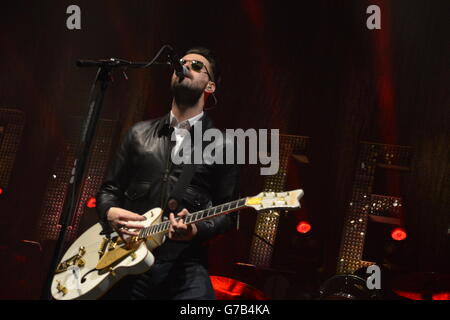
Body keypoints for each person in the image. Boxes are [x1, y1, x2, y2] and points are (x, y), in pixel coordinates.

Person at [96, 47, 240, 300]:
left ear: (210, 87)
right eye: (182, 62)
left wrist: (196, 230)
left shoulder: (223, 145)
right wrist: (109, 212)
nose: (185, 66)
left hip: (184, 264)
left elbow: (228, 213)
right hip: (127, 258)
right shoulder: (138, 133)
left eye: (197, 66)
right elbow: (109, 190)